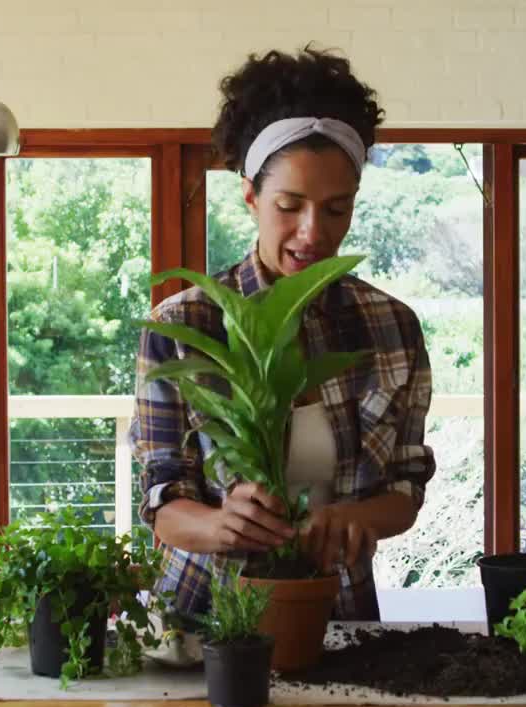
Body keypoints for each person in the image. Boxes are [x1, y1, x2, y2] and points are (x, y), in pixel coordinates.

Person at [129, 46, 435, 621]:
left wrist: (355, 519)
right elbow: (162, 497)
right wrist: (222, 524)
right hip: (206, 616)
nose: (313, 233)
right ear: (250, 195)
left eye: (337, 209)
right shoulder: (186, 326)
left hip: (336, 611)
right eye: (289, 206)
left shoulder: (391, 327)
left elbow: (406, 485)